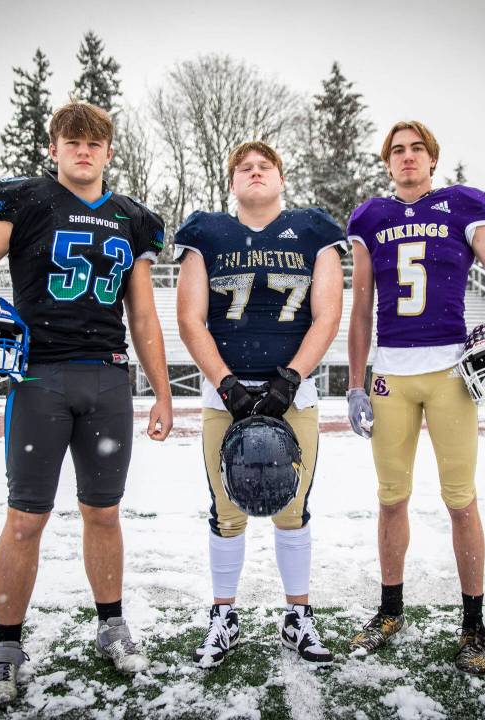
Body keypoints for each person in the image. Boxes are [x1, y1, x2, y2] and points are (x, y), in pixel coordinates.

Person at [0, 101, 173, 703]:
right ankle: (6, 644)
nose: (83, 151)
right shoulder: (27, 203)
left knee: (104, 513)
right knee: (27, 518)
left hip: (108, 379)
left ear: (110, 152)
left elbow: (141, 312)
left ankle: (112, 626)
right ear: (53, 149)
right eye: (71, 141)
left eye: (94, 142)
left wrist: (162, 391)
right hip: (39, 380)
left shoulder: (132, 218)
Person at [345, 121, 485, 674]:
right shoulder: (371, 217)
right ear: (387, 162)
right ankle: (390, 610)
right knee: (391, 498)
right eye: (398, 150)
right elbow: (362, 304)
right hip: (392, 373)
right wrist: (353, 382)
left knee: (460, 499)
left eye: (417, 149)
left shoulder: (463, 205)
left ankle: (473, 624)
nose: (407, 157)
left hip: (449, 375)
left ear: (432, 159)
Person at [175, 141, 346, 668]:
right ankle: (223, 616)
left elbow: (328, 314)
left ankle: (298, 616)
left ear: (281, 177)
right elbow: (189, 318)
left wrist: (290, 379)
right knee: (228, 511)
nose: (255, 172)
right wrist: (227, 385)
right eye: (244, 168)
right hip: (224, 395)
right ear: (232, 182)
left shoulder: (313, 230)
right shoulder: (208, 233)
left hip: (292, 393)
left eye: (264, 166)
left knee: (290, 507)